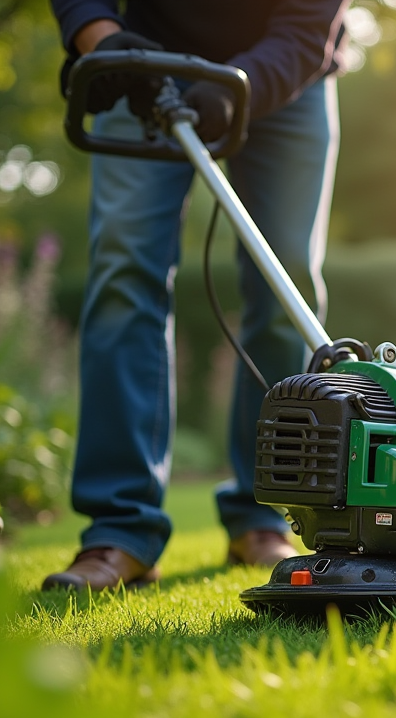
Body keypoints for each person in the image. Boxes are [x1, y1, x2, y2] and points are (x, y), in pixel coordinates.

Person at [42, 0, 350, 590]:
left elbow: (307, 26)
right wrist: (102, 42)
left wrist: (240, 89)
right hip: (140, 56)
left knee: (286, 286)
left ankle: (264, 515)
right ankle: (120, 527)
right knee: (123, 275)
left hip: (287, 72)